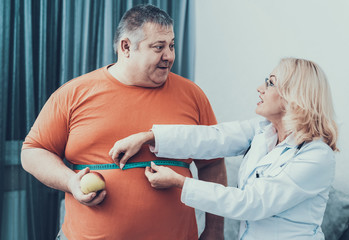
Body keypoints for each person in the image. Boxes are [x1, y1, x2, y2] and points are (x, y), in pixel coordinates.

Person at [21, 4, 226, 240]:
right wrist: (70, 182)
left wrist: (215, 230)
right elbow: (33, 151)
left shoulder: (193, 95)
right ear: (126, 47)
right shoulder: (74, 93)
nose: (169, 56)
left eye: (171, 45)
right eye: (158, 47)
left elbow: (212, 163)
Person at [109, 58, 339, 240]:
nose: (260, 88)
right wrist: (148, 137)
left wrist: (181, 183)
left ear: (293, 97)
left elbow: (251, 203)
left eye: (270, 83)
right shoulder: (262, 130)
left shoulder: (316, 156)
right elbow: (211, 137)